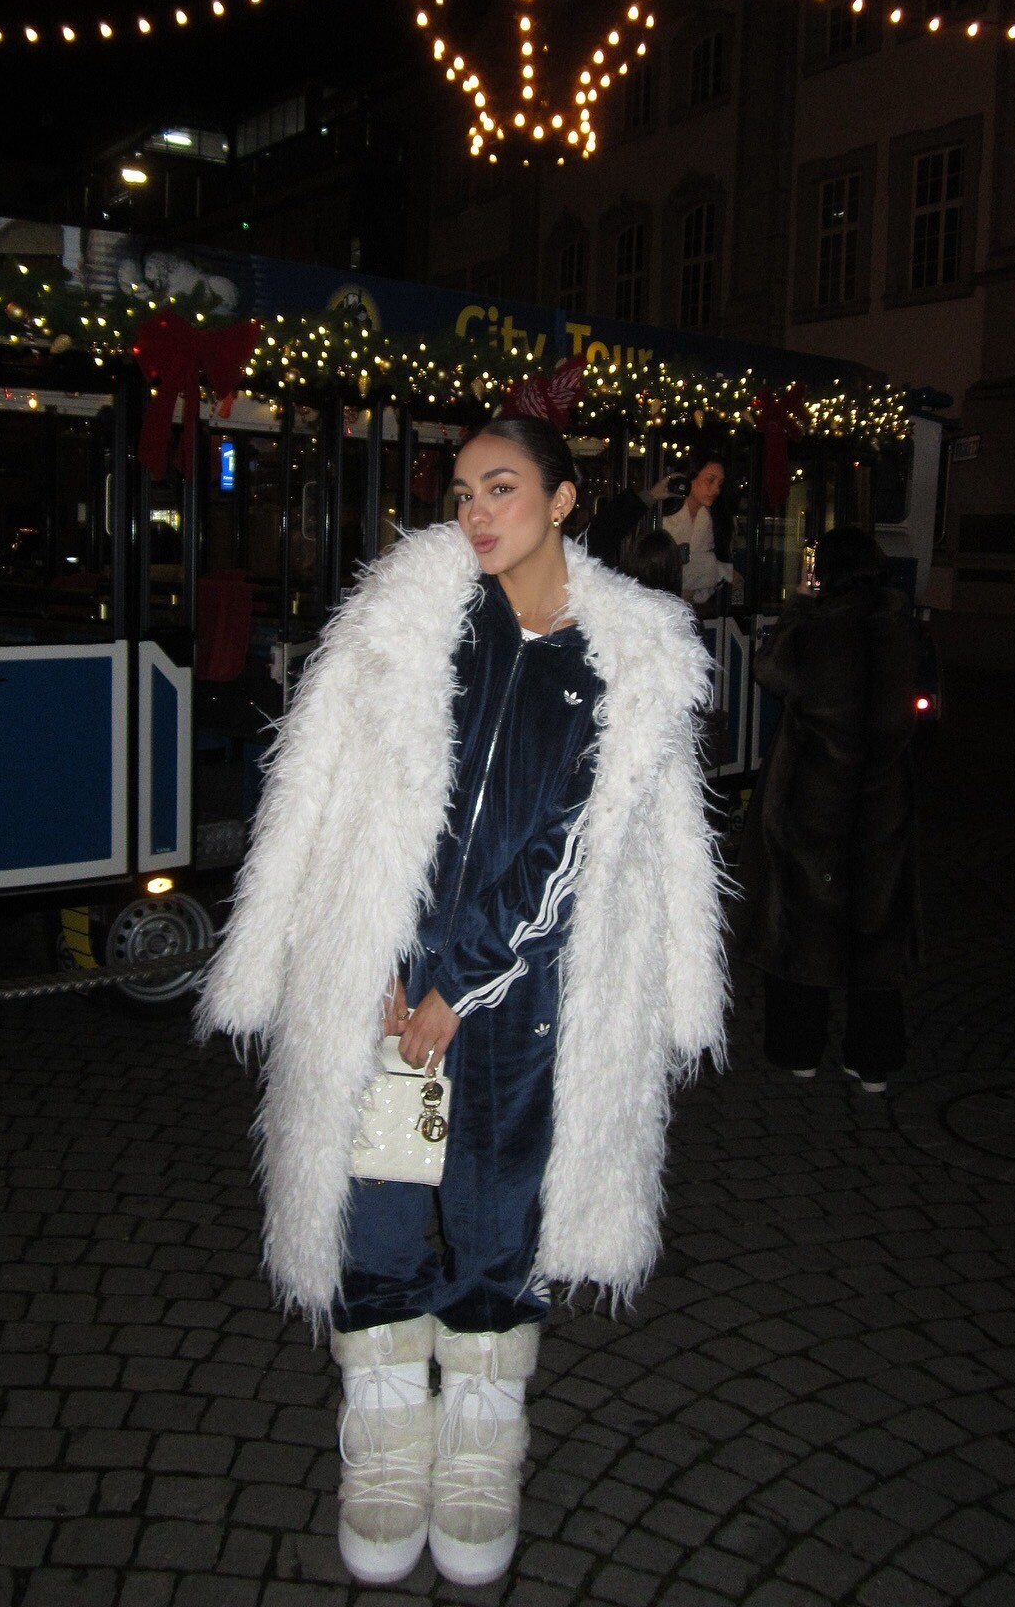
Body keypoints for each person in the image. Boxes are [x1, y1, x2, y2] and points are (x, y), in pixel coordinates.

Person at [195, 414, 728, 1589]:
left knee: (496, 1221)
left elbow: (576, 847)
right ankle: (385, 1440)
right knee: (378, 1212)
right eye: (462, 492)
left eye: (502, 487)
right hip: (386, 985)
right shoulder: (413, 622)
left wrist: (461, 983)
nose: (476, 512)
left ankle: (483, 1447)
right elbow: (327, 795)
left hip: (526, 999)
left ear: (565, 499)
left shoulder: (627, 657)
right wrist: (367, 950)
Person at [734, 526, 921, 1095]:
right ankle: (874, 1058)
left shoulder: (815, 629)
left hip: (814, 798)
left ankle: (799, 1048)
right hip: (882, 798)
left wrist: (799, 606)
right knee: (878, 923)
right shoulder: (904, 629)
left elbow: (769, 669)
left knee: (801, 922)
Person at [662, 455, 735, 610]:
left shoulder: (716, 520)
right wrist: (722, 571)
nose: (716, 489)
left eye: (720, 484)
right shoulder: (663, 515)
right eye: (710, 480)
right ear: (689, 477)